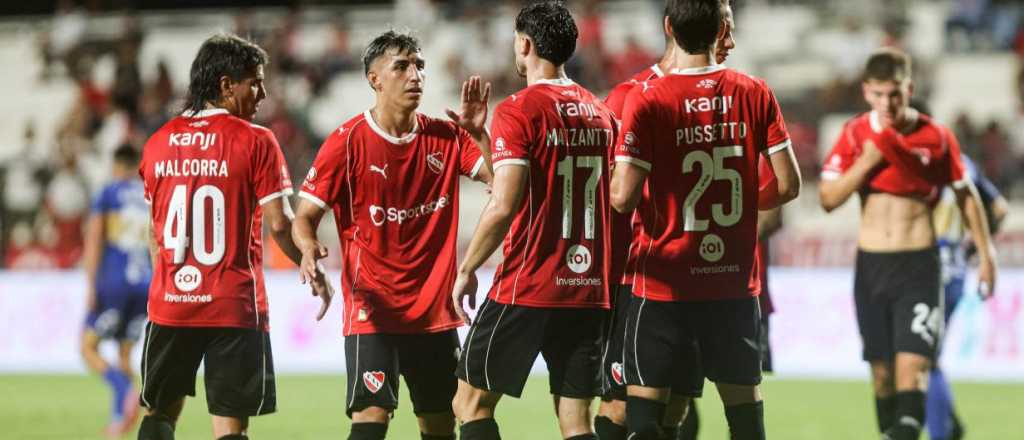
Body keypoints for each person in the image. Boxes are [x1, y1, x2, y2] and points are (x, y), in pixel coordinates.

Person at [609, 0, 802, 438]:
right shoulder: (755, 92)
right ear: (720, 31)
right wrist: (740, 209)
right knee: (745, 420)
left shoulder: (648, 100)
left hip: (662, 286)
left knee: (645, 421)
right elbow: (789, 185)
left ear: (668, 28)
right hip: (732, 286)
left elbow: (621, 198)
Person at [291, 30, 493, 440]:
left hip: (434, 314)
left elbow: (502, 183)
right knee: (370, 419)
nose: (415, 74)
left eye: (419, 65)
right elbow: (303, 216)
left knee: (438, 424)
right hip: (373, 311)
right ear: (374, 79)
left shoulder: (447, 136)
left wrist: (480, 135)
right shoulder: (346, 142)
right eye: (401, 66)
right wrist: (308, 247)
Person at [135, 33, 331, 440]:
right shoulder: (256, 140)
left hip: (171, 304)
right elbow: (279, 224)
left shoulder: (157, 143)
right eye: (254, 82)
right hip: (232, 304)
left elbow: (156, 233)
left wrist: (168, 281)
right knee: (230, 428)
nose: (262, 93)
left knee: (159, 415)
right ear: (226, 86)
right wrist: (310, 263)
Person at [450, 2, 616, 440]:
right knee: (575, 419)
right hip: (588, 289)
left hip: (530, 283)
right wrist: (481, 138)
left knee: (469, 404)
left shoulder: (519, 108)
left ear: (524, 44)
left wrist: (467, 269)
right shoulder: (602, 114)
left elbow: (505, 202)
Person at [818, 48, 997, 440]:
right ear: (867, 92)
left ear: (909, 88)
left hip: (919, 267)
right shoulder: (854, 134)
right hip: (871, 268)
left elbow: (967, 195)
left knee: (913, 372)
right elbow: (828, 200)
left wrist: (987, 254)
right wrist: (865, 163)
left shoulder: (935, 136)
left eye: (895, 94)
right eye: (879, 94)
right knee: (882, 378)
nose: (888, 103)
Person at [926, 153, 1007, 440]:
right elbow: (1000, 208)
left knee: (922, 357)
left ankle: (942, 431)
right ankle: (949, 422)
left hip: (928, 265)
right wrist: (973, 248)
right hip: (956, 268)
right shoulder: (965, 163)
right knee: (927, 355)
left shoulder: (920, 156)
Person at [81, 144, 151, 437]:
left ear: (117, 165)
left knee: (87, 347)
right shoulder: (149, 196)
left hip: (114, 282)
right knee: (124, 354)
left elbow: (95, 239)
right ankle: (119, 422)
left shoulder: (109, 193)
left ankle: (125, 391)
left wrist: (91, 284)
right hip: (145, 283)